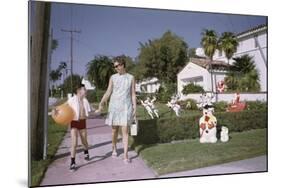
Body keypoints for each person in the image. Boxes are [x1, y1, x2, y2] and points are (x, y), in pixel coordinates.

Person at [95, 56, 137, 164]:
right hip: (114, 107)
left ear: (123, 65)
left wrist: (135, 107)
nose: (116, 68)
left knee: (125, 132)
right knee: (114, 131)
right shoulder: (113, 77)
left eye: (117, 66)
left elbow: (132, 94)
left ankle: (126, 155)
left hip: (126, 107)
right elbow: (108, 92)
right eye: (114, 66)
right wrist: (101, 103)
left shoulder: (131, 77)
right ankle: (113, 147)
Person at [67, 83, 92, 171]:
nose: (86, 91)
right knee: (74, 143)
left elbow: (90, 112)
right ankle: (73, 162)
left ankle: (86, 151)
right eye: (84, 89)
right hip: (74, 122)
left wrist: (98, 110)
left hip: (82, 122)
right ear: (78, 91)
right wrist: (55, 111)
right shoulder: (72, 100)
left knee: (84, 141)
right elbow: (64, 107)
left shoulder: (85, 101)